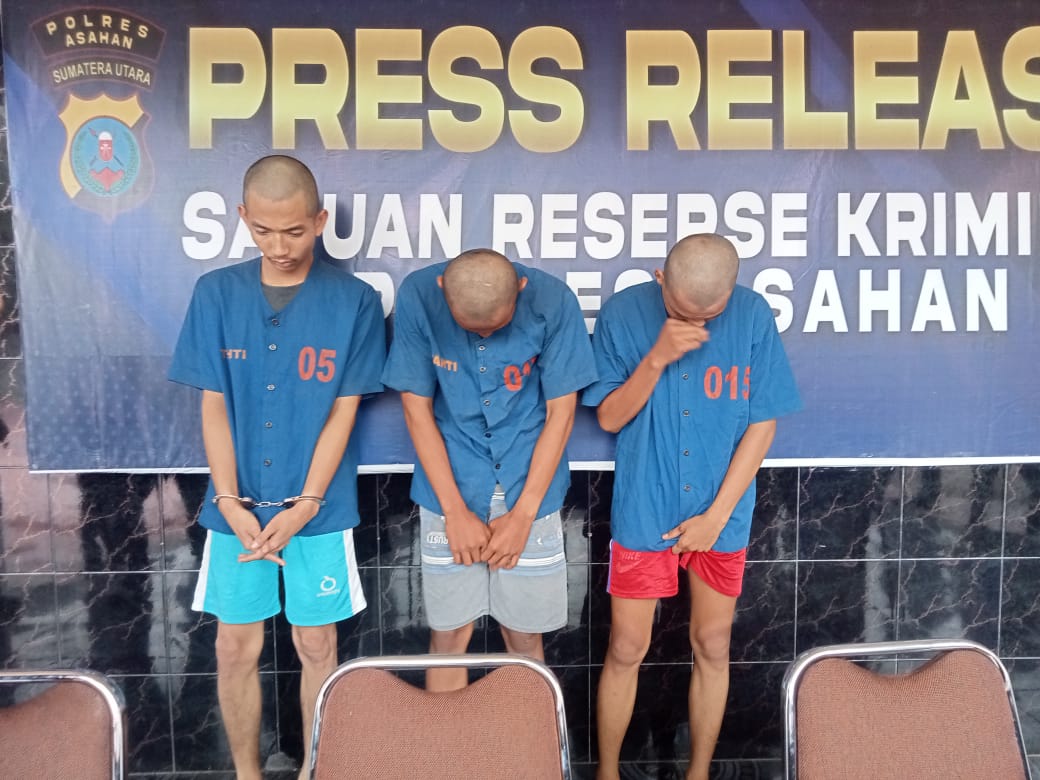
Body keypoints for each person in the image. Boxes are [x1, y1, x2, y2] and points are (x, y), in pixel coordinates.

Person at [168, 155, 385, 780]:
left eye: (293, 231)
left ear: (319, 220)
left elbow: (344, 411)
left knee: (317, 643)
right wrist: (228, 500)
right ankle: (247, 772)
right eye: (263, 230)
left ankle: (317, 767)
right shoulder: (216, 293)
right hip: (234, 511)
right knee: (234, 645)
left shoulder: (355, 301)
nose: (279, 246)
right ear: (243, 217)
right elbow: (214, 405)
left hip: (320, 510)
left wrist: (308, 502)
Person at [583, 233, 800, 780]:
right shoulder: (622, 314)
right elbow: (609, 417)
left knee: (712, 642)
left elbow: (763, 423)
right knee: (626, 645)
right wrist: (656, 358)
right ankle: (607, 772)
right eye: (683, 312)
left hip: (721, 513)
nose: (698, 324)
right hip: (646, 507)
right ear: (660, 278)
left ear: (733, 291)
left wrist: (716, 516)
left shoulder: (753, 316)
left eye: (711, 314)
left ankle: (698, 772)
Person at [381, 248, 597, 690]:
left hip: (528, 481)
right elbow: (416, 410)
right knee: (449, 637)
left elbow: (561, 414)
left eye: (497, 327)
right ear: (442, 290)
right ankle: (452, 739)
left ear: (521, 288)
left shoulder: (554, 301)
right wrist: (455, 512)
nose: (484, 336)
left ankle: (524, 739)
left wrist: (523, 516)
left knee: (524, 639)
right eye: (470, 328)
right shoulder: (419, 295)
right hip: (452, 483)